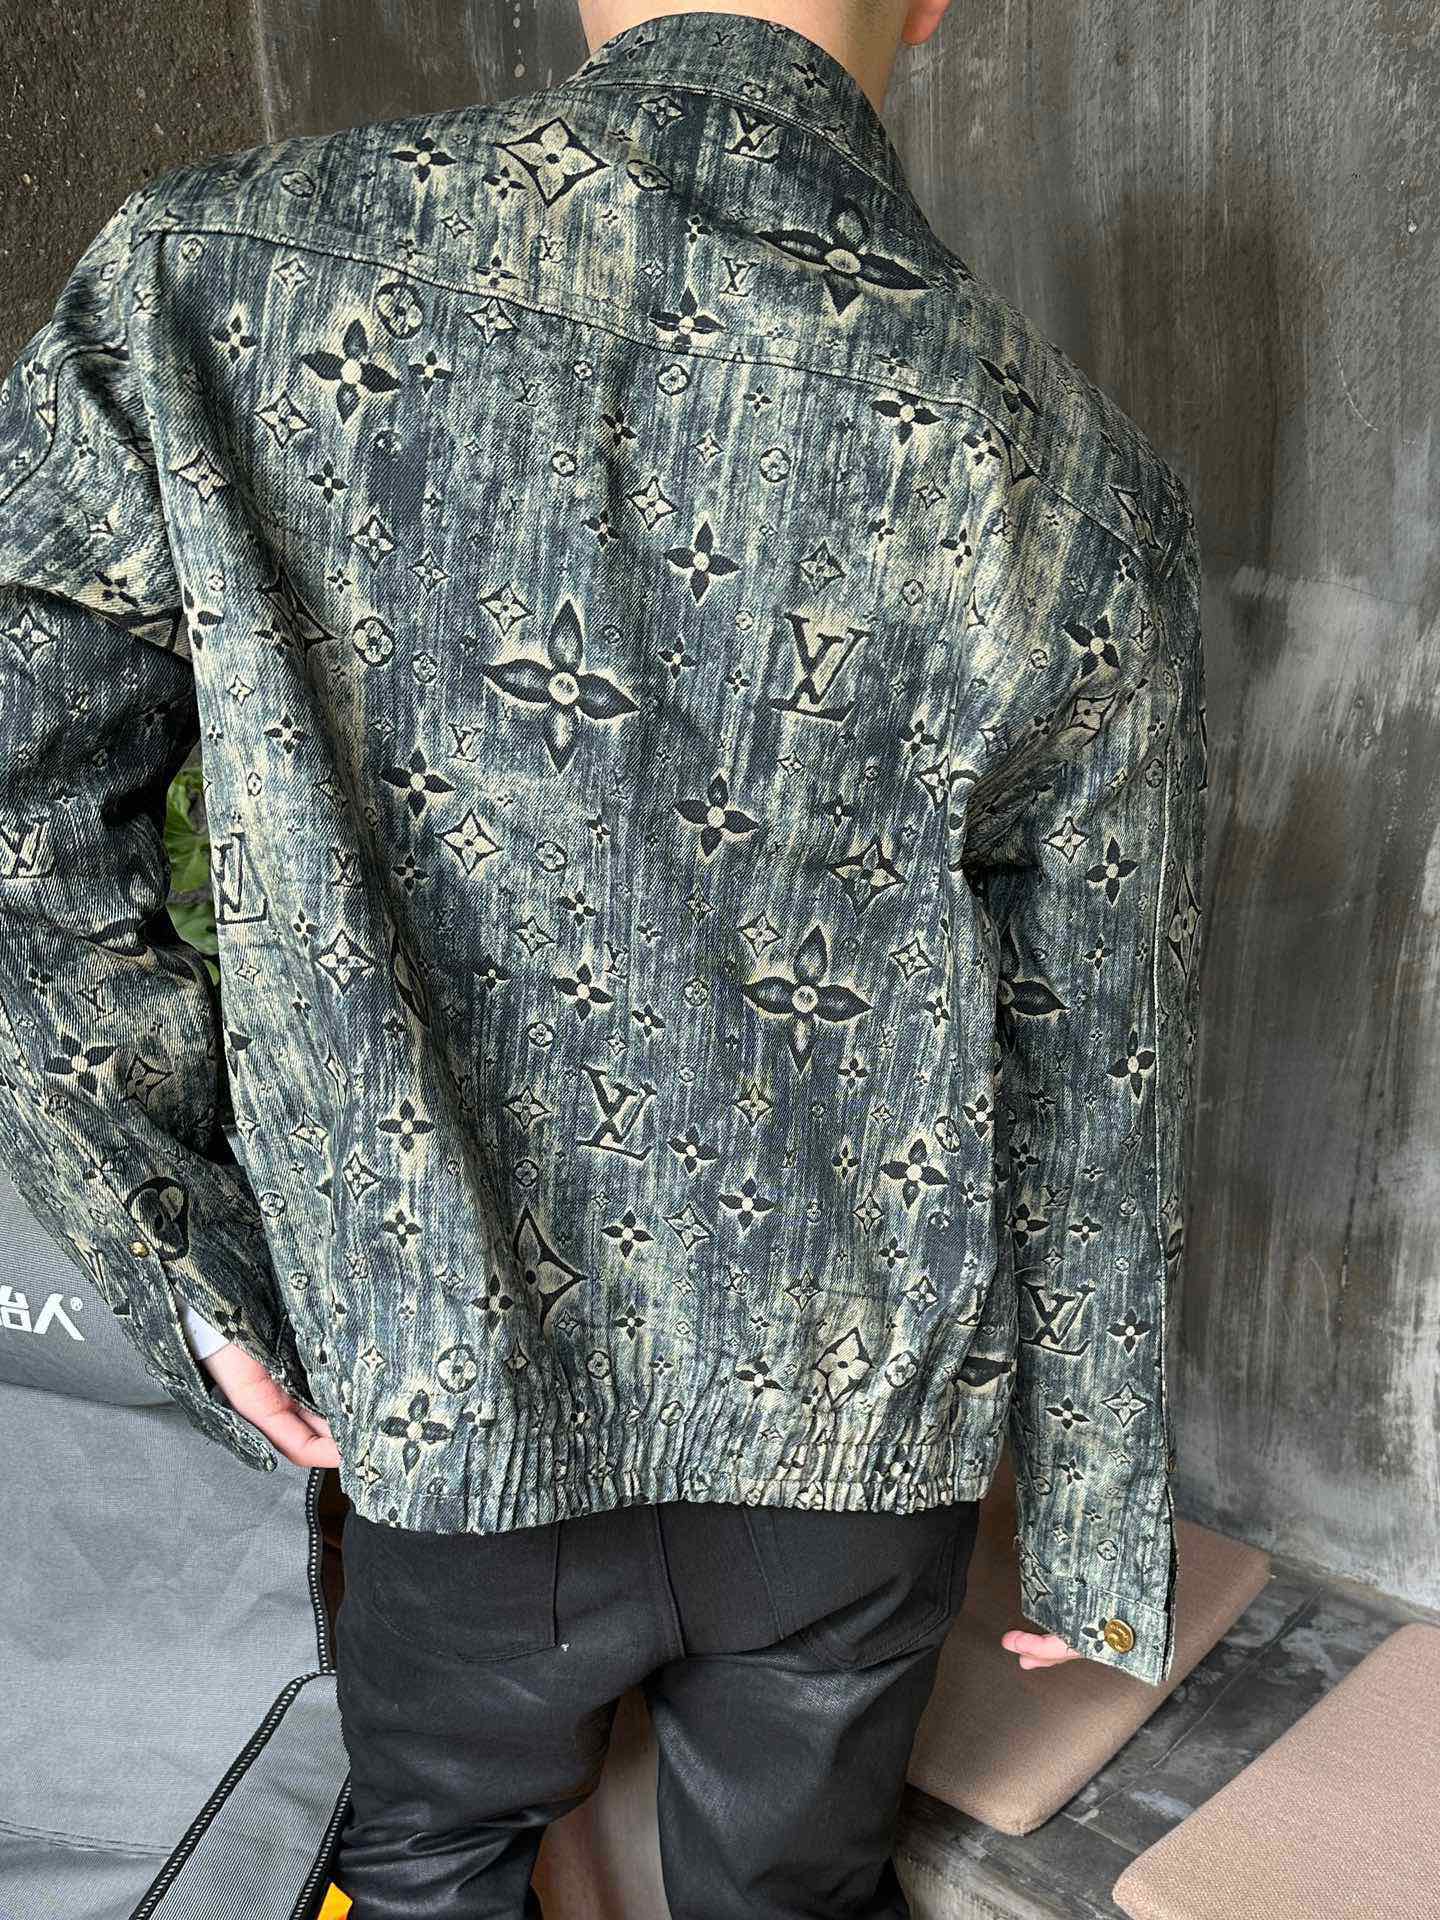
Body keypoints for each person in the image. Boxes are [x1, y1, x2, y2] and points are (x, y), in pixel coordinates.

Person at [0, 0, 1207, 1912]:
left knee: (430, 1859)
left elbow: (15, 798)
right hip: (850, 1447)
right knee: (795, 1896)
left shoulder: (216, 283)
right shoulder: (1067, 471)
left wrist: (183, 1251)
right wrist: (1091, 1503)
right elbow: (1100, 1045)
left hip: (444, 1391)